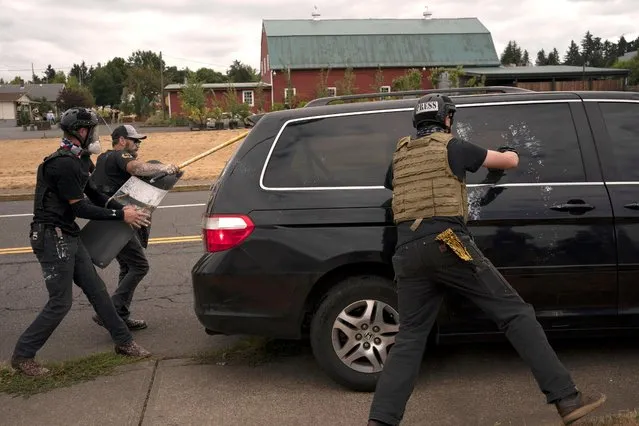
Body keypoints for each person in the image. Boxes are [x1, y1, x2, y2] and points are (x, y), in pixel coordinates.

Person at [367, 94, 606, 426]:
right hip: (446, 243)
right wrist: (511, 151)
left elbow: (389, 183)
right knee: (516, 314)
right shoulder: (453, 146)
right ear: (447, 119)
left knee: (409, 338)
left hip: (406, 252)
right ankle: (567, 398)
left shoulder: (401, 156)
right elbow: (507, 163)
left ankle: (380, 421)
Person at [11, 107, 152, 377]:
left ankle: (124, 343)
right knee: (60, 302)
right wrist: (120, 214)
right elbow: (80, 207)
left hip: (67, 235)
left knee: (97, 291)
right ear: (83, 131)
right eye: (94, 130)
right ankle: (23, 356)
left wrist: (118, 207)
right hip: (52, 237)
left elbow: (95, 194)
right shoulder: (62, 163)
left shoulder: (80, 161)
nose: (96, 136)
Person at [89, 124, 179, 330]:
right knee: (140, 266)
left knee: (128, 266)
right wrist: (163, 167)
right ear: (121, 140)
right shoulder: (120, 156)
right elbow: (137, 168)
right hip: (119, 221)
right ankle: (109, 313)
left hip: (109, 218)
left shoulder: (103, 158)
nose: (138, 144)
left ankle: (120, 315)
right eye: (134, 140)